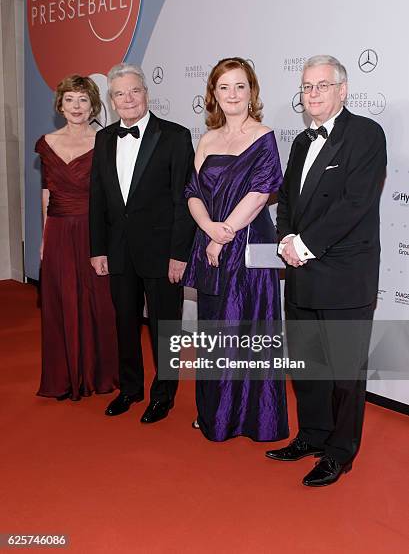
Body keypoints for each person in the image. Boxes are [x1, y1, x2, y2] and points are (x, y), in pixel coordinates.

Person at [266, 55, 387, 486]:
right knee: (307, 366)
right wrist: (284, 240)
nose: (312, 93)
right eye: (306, 87)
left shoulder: (366, 135)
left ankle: (339, 452)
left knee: (343, 374)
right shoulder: (300, 141)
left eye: (321, 85)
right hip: (300, 273)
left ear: (343, 89)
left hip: (343, 276)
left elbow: (355, 204)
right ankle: (313, 436)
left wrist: (304, 244)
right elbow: (288, 202)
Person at [183, 57, 289, 442]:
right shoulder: (207, 138)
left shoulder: (264, 135)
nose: (232, 94)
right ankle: (215, 413)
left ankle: (253, 417)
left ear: (251, 92)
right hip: (210, 241)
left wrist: (221, 233)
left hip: (248, 242)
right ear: (213, 93)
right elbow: (193, 193)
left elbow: (261, 192)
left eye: (240, 86)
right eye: (224, 87)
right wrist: (208, 227)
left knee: (249, 325)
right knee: (215, 328)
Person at [89, 63, 196, 423]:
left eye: (135, 90)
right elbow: (98, 199)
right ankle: (130, 389)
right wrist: (98, 248)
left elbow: (185, 200)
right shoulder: (104, 138)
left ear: (146, 93)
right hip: (119, 251)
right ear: (112, 100)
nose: (129, 98)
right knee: (125, 322)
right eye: (120, 93)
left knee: (166, 327)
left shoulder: (175, 136)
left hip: (163, 252)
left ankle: (163, 395)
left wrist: (180, 254)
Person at [36, 75, 118, 401]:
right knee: (60, 301)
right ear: (60, 104)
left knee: (97, 301)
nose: (76, 107)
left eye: (83, 100)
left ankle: (98, 373)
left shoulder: (105, 140)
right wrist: (43, 237)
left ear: (93, 105)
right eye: (70, 100)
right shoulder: (46, 142)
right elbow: (46, 193)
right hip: (57, 229)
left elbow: (111, 195)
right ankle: (64, 376)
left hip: (93, 228)